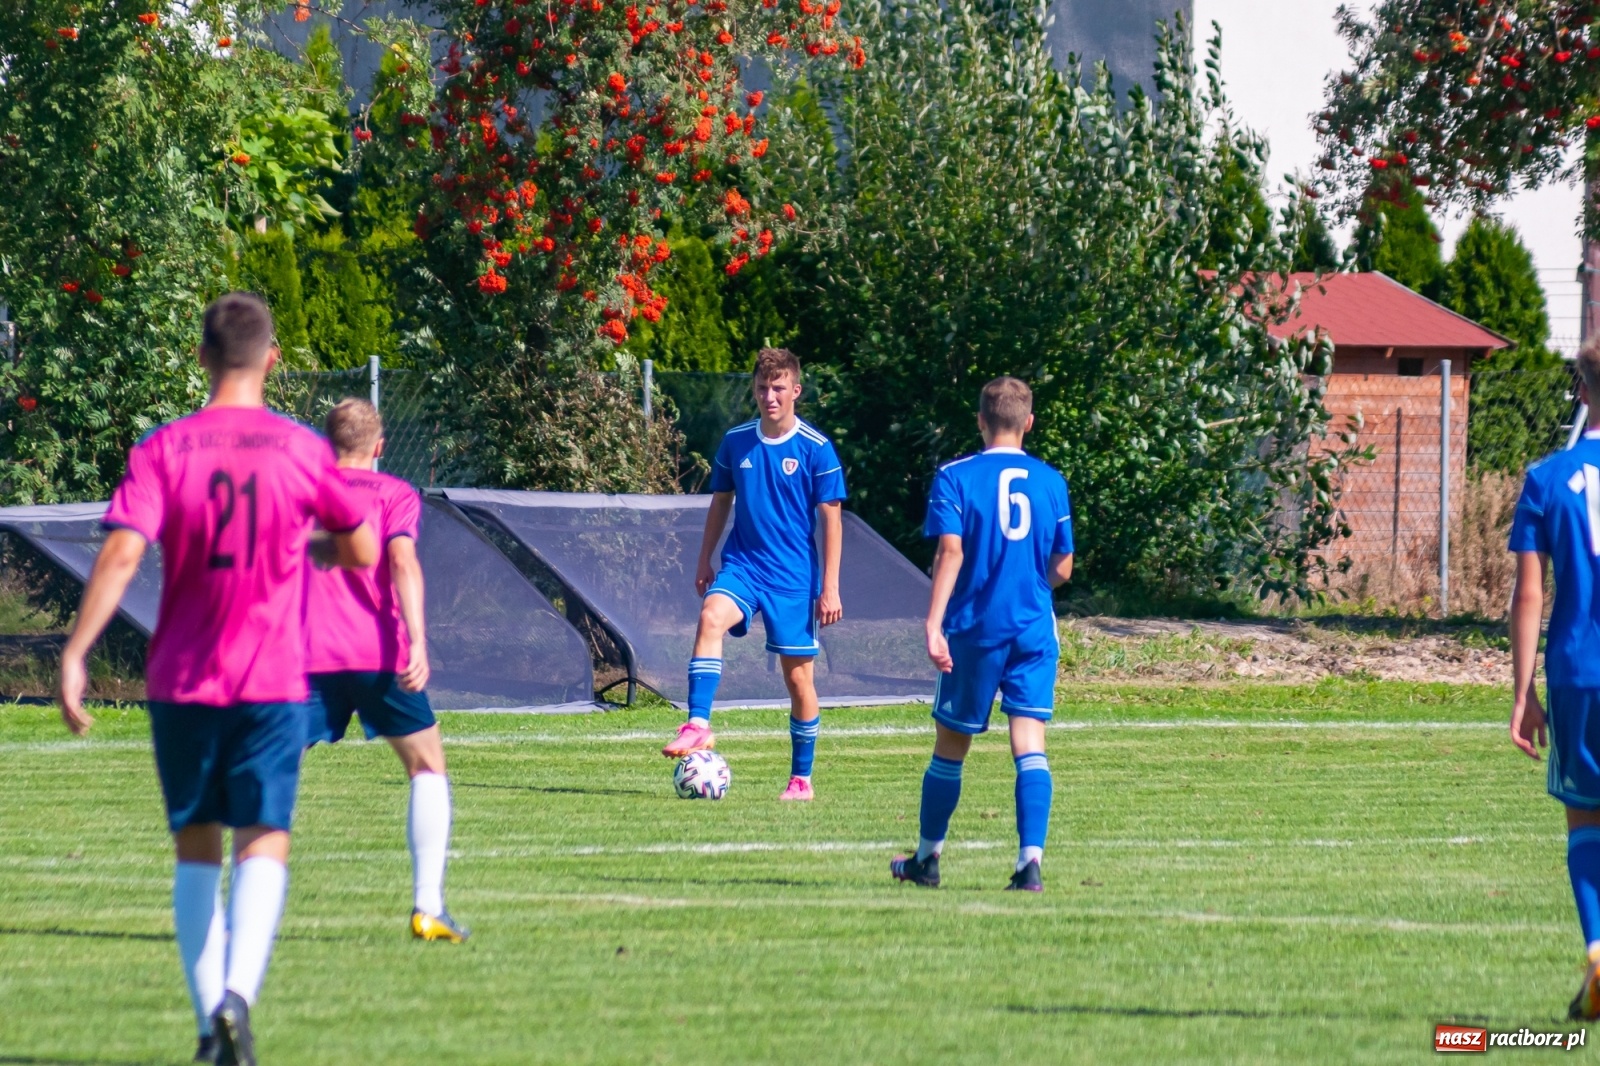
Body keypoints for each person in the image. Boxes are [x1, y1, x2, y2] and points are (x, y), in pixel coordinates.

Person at [58, 293, 376, 1066]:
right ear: (271, 360)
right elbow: (361, 546)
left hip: (184, 680)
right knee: (264, 839)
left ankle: (211, 1025)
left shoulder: (166, 448)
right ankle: (238, 997)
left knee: (196, 849)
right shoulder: (303, 450)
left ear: (201, 357)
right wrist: (314, 552)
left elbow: (126, 551)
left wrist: (77, 651)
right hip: (272, 677)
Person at [890, 376, 1073, 892]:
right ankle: (1029, 864)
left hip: (974, 629)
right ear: (1028, 423)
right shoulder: (1050, 482)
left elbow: (950, 552)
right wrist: (1029, 578)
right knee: (1030, 745)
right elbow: (1064, 567)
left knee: (951, 746)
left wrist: (932, 622)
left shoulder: (955, 477)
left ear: (980, 420)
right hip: (1033, 629)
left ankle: (927, 860)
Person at [302, 399, 466, 943]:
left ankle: (235, 907)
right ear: (379, 447)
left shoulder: (303, 491)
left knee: (269, 766)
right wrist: (419, 639)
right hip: (378, 655)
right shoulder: (395, 493)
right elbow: (400, 561)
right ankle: (427, 907)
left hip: (306, 654)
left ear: (328, 444)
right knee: (426, 767)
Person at [660, 348, 846, 801]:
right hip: (743, 565)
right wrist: (705, 558)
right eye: (762, 388)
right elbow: (720, 501)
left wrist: (830, 587)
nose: (770, 396)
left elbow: (832, 518)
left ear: (795, 390)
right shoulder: (736, 441)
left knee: (799, 680)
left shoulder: (816, 449)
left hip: (793, 579)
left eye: (779, 387)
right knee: (710, 617)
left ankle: (801, 778)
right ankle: (698, 725)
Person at [1508, 336, 1600, 1020]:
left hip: (1578, 675)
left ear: (1581, 389)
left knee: (1586, 818)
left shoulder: (1546, 478)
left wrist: (1521, 694)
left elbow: (1529, 595)